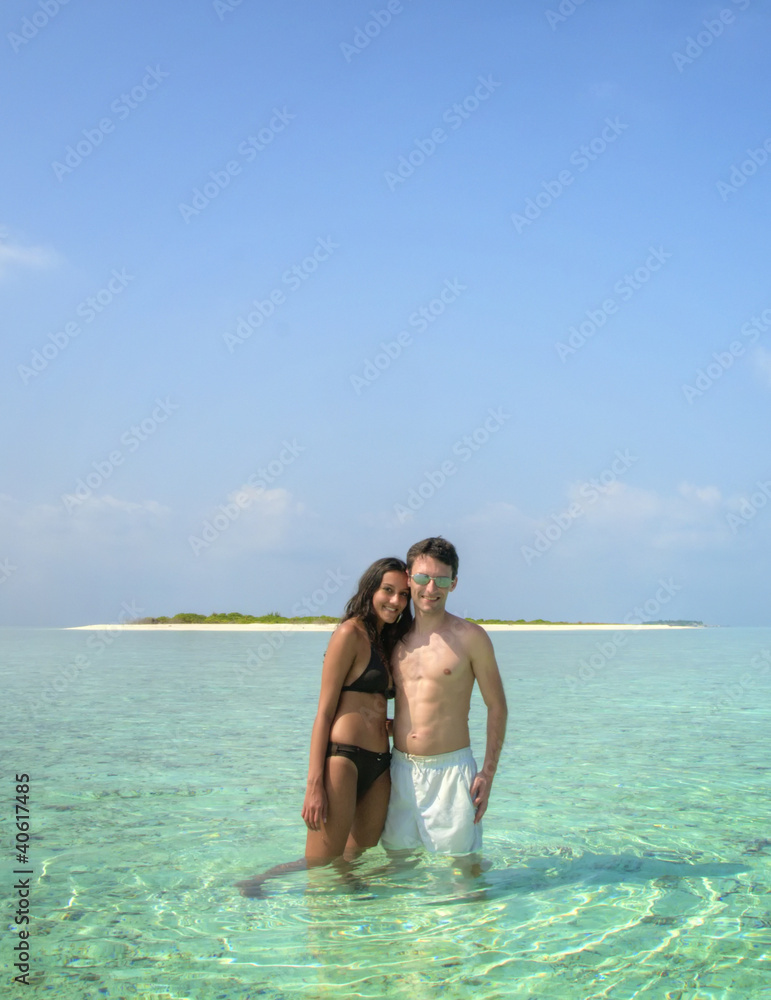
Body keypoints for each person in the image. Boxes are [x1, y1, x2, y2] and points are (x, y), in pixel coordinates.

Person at [236, 557, 412, 896]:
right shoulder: (350, 633)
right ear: (370, 589)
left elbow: (371, 705)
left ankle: (343, 918)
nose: (395, 601)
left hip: (379, 763)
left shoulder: (385, 640)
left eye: (403, 594)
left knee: (358, 851)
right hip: (342, 760)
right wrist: (314, 784)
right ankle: (259, 882)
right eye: (387, 591)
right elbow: (324, 712)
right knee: (321, 861)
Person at [381, 537, 507, 856]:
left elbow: (497, 706)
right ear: (409, 579)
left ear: (454, 583)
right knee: (399, 870)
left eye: (442, 579)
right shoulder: (393, 639)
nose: (431, 588)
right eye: (423, 577)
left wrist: (488, 773)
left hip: (452, 773)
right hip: (399, 771)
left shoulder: (471, 638)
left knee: (462, 877)